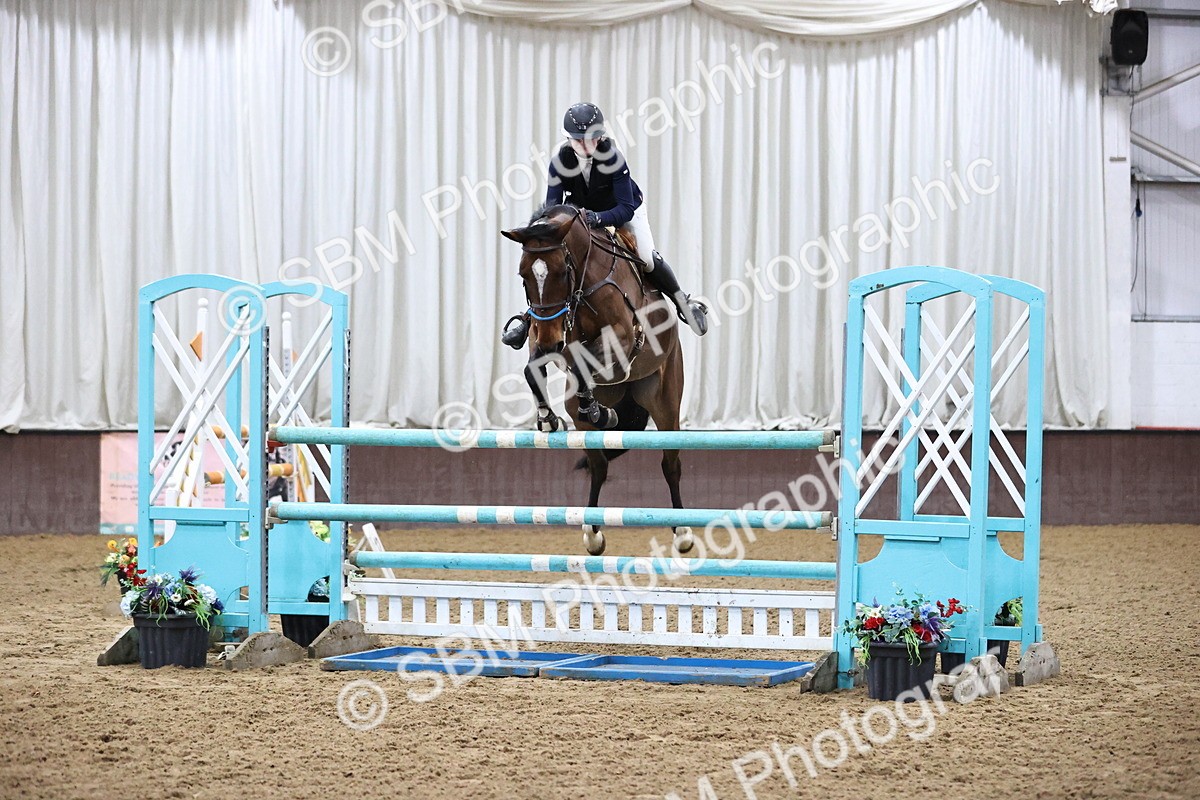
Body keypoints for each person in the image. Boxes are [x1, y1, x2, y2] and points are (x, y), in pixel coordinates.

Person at [501, 102, 708, 349]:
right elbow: (552, 209)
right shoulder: (560, 162)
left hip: (622, 210)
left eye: (592, 139)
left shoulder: (613, 158)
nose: (586, 146)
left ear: (600, 137)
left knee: (647, 257)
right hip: (581, 216)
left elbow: (625, 208)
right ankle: (527, 320)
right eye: (579, 141)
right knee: (552, 262)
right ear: (569, 139)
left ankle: (683, 302)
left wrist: (598, 219)